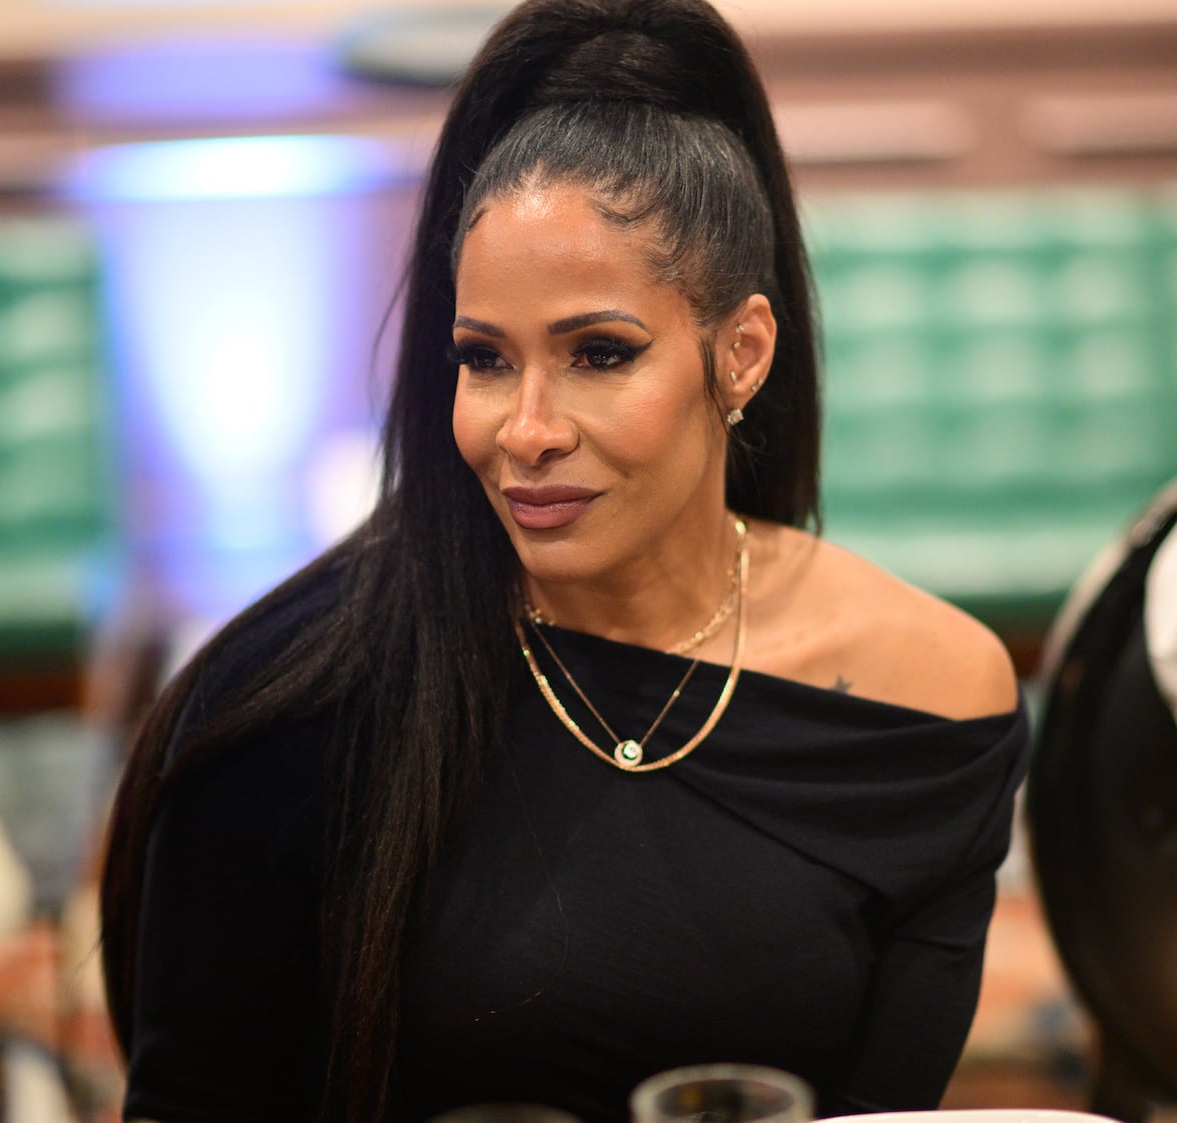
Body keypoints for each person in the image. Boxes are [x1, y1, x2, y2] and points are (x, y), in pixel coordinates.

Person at [99, 1, 1030, 1120]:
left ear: (740, 352)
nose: (526, 430)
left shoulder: (929, 702)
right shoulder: (292, 706)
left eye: (599, 353)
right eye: (485, 359)